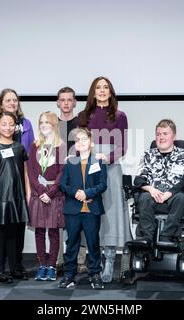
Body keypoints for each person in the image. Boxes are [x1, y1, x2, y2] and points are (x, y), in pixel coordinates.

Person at [78, 76, 130, 283]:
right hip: (88, 167)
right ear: (93, 91)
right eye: (98, 87)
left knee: (111, 212)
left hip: (110, 168)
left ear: (111, 91)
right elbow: (78, 143)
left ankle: (110, 258)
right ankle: (94, 259)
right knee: (90, 212)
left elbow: (123, 147)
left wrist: (106, 158)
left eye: (105, 87)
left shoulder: (120, 115)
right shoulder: (83, 115)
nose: (101, 90)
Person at [0, 112, 31, 283]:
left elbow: (25, 173)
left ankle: (15, 268)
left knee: (15, 234)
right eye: (4, 124)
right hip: (1, 197)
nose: (8, 127)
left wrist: (28, 195)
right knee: (0, 234)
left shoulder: (19, 147)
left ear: (15, 126)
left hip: (17, 196)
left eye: (11, 124)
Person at [58, 128, 107, 289]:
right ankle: (69, 275)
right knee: (72, 243)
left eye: (84, 139)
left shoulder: (99, 161)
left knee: (93, 243)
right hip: (73, 209)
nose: (80, 142)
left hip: (92, 210)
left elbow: (102, 184)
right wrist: (77, 193)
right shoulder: (70, 162)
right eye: (77, 140)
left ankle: (95, 274)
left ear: (91, 143)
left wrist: (87, 193)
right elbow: (63, 185)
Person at [134, 119, 184, 246]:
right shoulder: (148, 154)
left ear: (174, 136)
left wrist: (170, 192)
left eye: (165, 134)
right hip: (152, 196)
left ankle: (166, 236)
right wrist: (151, 189)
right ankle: (147, 237)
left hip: (174, 197)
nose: (161, 137)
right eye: (158, 134)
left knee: (181, 198)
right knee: (144, 197)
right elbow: (139, 179)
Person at [27, 111, 66, 282]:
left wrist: (50, 192)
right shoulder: (34, 145)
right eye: (41, 122)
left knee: (54, 233)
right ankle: (42, 265)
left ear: (54, 125)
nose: (44, 125)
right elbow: (32, 172)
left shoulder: (61, 146)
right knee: (39, 232)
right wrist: (41, 191)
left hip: (55, 195)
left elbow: (62, 173)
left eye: (47, 122)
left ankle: (52, 266)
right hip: (38, 194)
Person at [56, 86, 88, 274]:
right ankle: (59, 259)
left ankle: (81, 260)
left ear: (75, 102)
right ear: (58, 103)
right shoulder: (53, 124)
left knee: (81, 217)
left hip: (78, 177)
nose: (66, 103)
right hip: (58, 177)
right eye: (63, 99)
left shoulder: (81, 124)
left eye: (70, 99)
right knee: (59, 220)